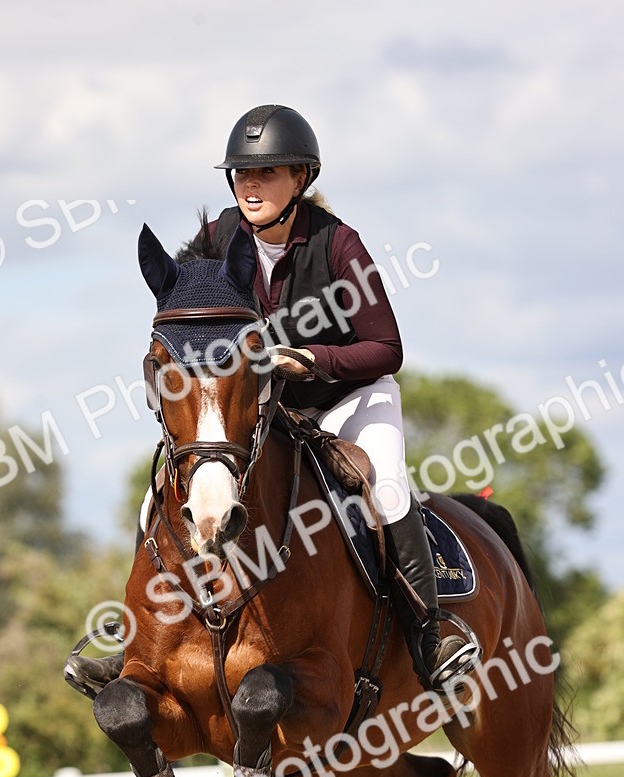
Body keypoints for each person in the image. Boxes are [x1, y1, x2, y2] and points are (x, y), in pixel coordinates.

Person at [198, 103, 478, 693]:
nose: (251, 185)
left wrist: (312, 358)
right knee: (195, 470)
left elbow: (387, 347)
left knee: (388, 484)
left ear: (301, 178)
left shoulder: (338, 244)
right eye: (243, 174)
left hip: (351, 398)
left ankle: (430, 631)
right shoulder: (219, 237)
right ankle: (146, 639)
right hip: (273, 409)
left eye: (267, 173)